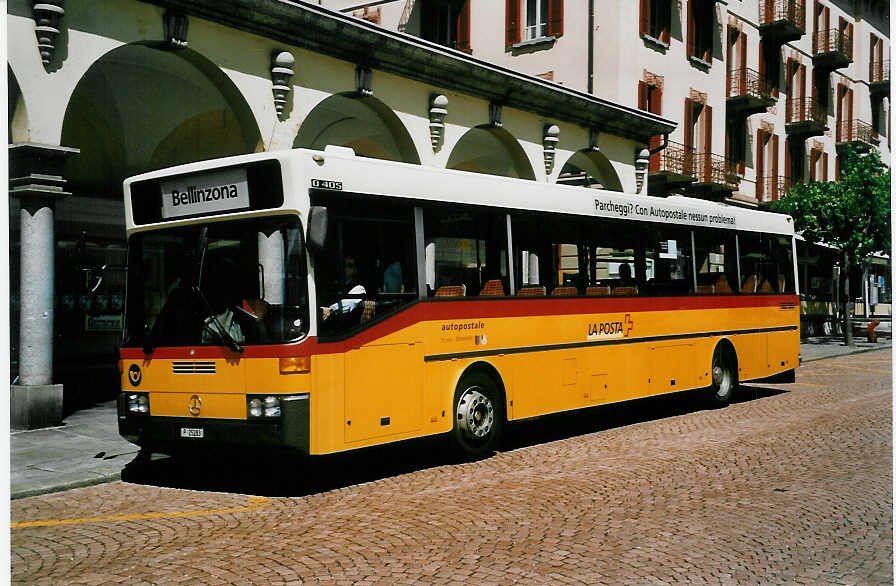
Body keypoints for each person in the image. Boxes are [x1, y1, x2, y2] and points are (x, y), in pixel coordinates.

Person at [321, 255, 366, 320]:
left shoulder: (359, 288)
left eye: (350, 265)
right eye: (343, 265)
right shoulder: (332, 286)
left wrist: (329, 310)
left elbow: (346, 305)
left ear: (354, 270)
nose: (345, 268)